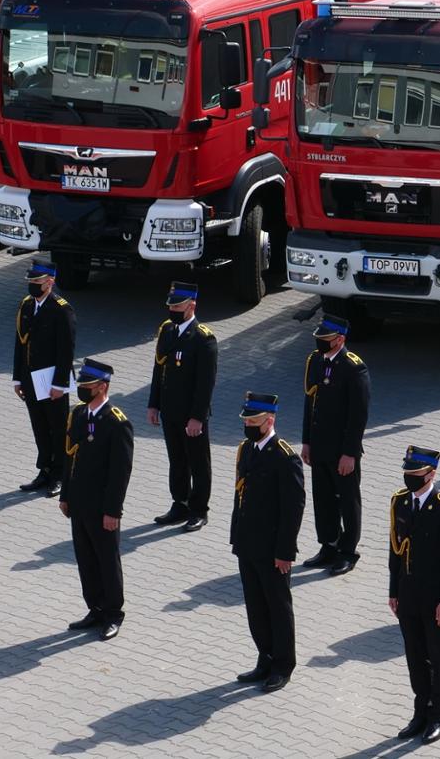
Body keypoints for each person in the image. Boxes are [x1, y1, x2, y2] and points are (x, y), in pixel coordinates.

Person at [389, 446, 440, 744]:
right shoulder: (399, 502)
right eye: (407, 473)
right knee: (415, 657)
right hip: (408, 595)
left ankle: (438, 715)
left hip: (436, 600)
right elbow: (395, 550)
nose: (410, 478)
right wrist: (393, 590)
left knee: (439, 658)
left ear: (431, 474)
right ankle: (421, 711)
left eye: (415, 474)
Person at [233, 392, 305, 692]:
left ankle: (283, 664)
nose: (248, 425)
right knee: (255, 605)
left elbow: (293, 508)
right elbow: (241, 497)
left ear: (269, 421)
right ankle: (265, 655)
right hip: (248, 543)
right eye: (246, 420)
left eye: (253, 420)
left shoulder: (285, 457)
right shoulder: (247, 450)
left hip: (273, 548)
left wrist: (285, 551)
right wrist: (236, 537)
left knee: (277, 606)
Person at [61, 359, 134, 640]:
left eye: (87, 386)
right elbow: (71, 458)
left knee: (107, 560)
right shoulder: (78, 415)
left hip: (103, 507)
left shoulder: (117, 423)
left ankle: (113, 613)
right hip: (79, 503)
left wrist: (113, 510)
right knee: (86, 559)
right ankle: (95, 608)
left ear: (102, 387)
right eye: (81, 386)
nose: (82, 390)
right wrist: (66, 495)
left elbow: (120, 473)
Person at [301, 314, 370, 576]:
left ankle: (348, 551)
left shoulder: (354, 368)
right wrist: (306, 441)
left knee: (347, 502)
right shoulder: (315, 361)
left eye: (325, 339)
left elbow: (358, 416)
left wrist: (349, 453)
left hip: (342, 450)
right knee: (324, 499)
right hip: (319, 446)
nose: (320, 343)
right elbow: (311, 405)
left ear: (340, 340)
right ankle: (328, 545)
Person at [149, 281, 217, 532]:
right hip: (169, 409)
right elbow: (159, 370)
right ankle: (180, 503)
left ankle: (199, 509)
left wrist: (197, 417)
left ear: (192, 306)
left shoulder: (203, 340)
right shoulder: (167, 330)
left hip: (191, 414)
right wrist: (153, 404)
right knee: (177, 459)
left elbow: (205, 384)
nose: (173, 310)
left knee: (198, 462)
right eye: (171, 305)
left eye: (178, 306)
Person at [14, 258, 75, 497]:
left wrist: (59, 384)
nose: (32, 285)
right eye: (30, 280)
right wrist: (17, 378)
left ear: (50, 282)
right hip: (31, 378)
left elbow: (66, 351)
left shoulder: (62, 310)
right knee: (39, 426)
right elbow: (20, 343)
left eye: (37, 281)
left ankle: (60, 474)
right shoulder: (26, 305)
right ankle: (45, 470)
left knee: (58, 428)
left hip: (52, 380)